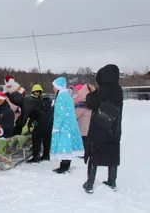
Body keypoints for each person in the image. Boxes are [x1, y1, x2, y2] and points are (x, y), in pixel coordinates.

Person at [82, 64, 123, 194]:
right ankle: (112, 181)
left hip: (100, 128)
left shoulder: (103, 90)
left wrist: (90, 93)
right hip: (114, 128)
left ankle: (90, 183)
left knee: (94, 154)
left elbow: (91, 103)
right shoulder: (118, 89)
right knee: (113, 153)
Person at [50, 77, 84, 174]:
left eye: (54, 86)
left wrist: (56, 127)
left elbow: (61, 114)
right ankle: (65, 165)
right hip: (69, 125)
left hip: (64, 127)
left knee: (64, 146)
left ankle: (64, 167)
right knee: (67, 146)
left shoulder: (61, 97)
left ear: (58, 87)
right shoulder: (67, 95)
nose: (53, 88)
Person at [25, 84, 53, 163]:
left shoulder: (35, 101)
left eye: (36, 92)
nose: (36, 93)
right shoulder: (48, 100)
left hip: (38, 124)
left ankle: (36, 156)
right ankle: (46, 155)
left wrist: (32, 123)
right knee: (47, 141)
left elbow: (33, 114)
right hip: (48, 124)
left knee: (36, 141)